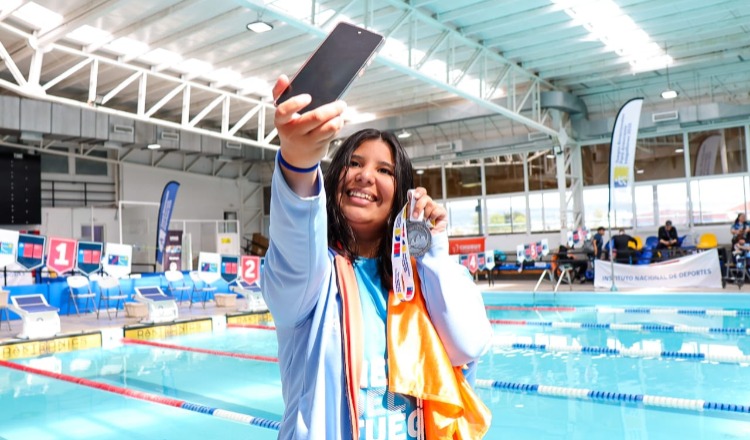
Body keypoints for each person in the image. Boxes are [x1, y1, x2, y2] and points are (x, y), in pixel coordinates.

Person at [262, 75, 493, 440]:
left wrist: (430, 250)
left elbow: (467, 344)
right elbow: (297, 240)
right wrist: (298, 162)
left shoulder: (426, 277)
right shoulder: (314, 279)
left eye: (384, 170)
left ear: (401, 193)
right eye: (354, 163)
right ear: (335, 179)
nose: (365, 176)